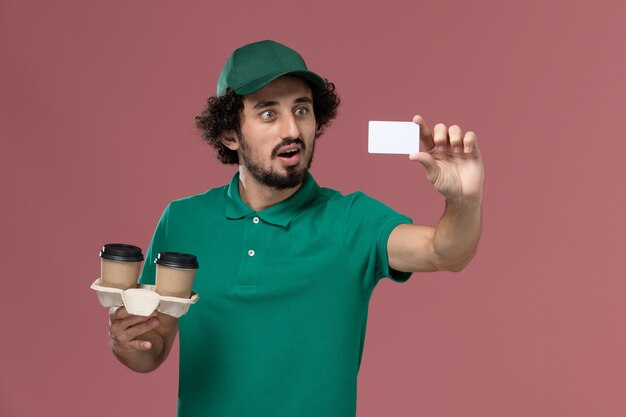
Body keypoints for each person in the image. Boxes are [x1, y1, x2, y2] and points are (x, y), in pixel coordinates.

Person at [108, 40, 483, 417]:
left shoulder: (351, 220)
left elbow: (445, 250)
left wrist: (464, 199)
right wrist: (129, 344)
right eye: (268, 114)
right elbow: (151, 350)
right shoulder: (183, 220)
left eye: (301, 110)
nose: (292, 129)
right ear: (230, 135)